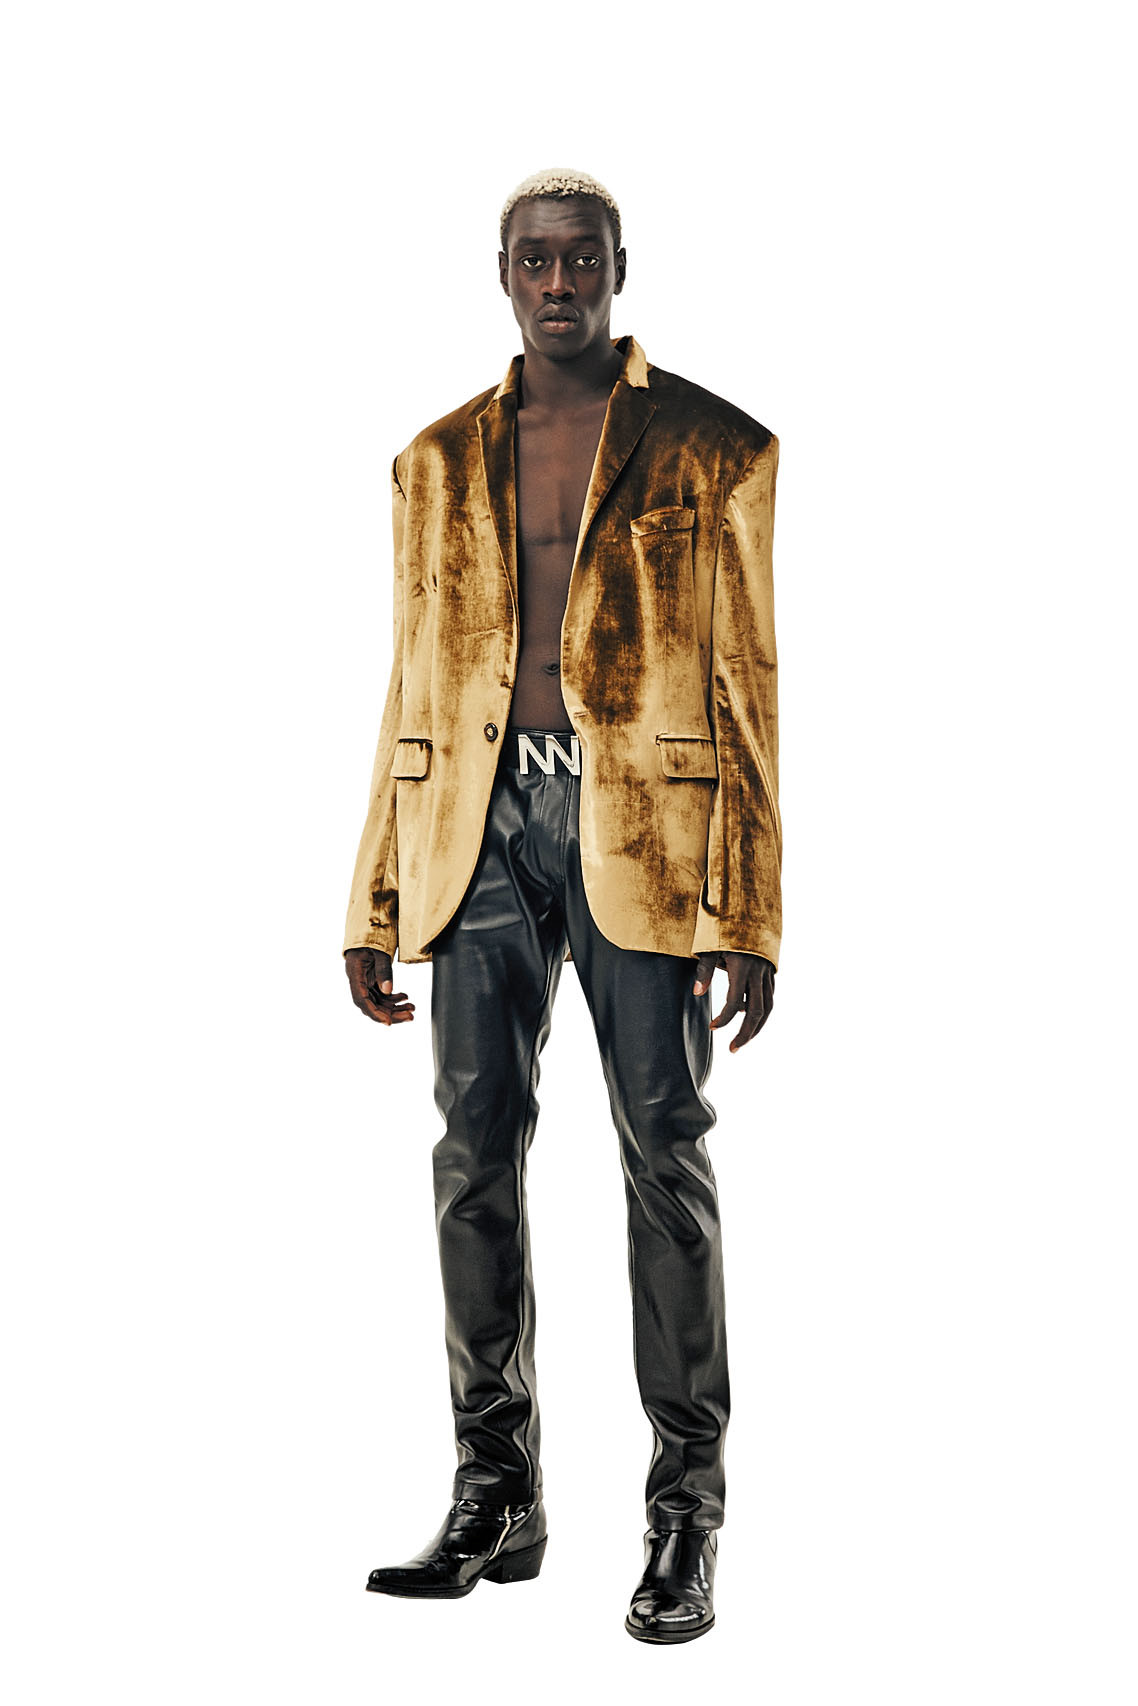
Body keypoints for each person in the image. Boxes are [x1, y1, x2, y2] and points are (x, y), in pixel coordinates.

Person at [343, 167, 781, 1644]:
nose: (557, 283)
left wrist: (749, 907)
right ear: (502, 274)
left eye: (580, 259)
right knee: (471, 1157)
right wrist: (376, 887)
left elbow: (749, 682)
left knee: (664, 1154)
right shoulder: (430, 460)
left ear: (617, 269)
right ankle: (496, 1493)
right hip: (472, 830)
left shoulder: (714, 447)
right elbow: (412, 678)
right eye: (533, 260)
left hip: (641, 831)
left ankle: (684, 1512)